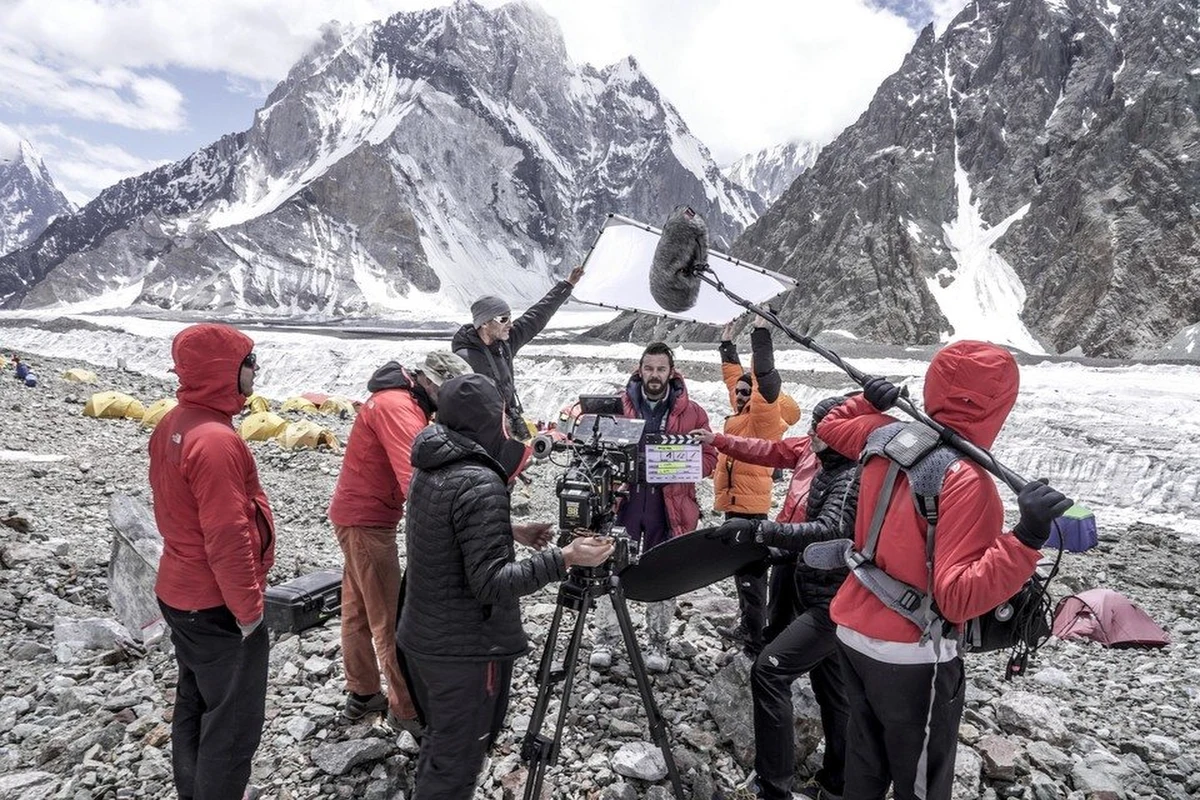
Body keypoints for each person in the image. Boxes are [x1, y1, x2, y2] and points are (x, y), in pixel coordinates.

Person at [816, 341, 1072, 800]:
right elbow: (957, 598)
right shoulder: (969, 482)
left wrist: (867, 401)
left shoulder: (883, 434)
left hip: (851, 631)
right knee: (921, 782)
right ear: (1000, 406)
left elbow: (831, 426)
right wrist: (1027, 539)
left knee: (866, 762)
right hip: (912, 655)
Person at [397, 373, 614, 800]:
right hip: (464, 650)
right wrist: (567, 558)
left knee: (441, 745)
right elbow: (492, 584)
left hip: (422, 637)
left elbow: (446, 529)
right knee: (456, 764)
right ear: (487, 419)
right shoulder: (481, 480)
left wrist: (506, 529)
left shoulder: (432, 463)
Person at [705, 396, 858, 800]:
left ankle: (774, 788)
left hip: (833, 603)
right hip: (823, 593)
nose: (811, 433)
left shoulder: (849, 477)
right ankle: (837, 783)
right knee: (833, 690)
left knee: (770, 672)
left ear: (840, 432)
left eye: (820, 427)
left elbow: (828, 531)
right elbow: (768, 451)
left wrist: (761, 532)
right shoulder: (832, 466)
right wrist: (771, 552)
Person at [149, 324, 273, 800]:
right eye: (248, 361)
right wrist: (248, 611)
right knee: (233, 723)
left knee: (197, 702)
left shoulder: (174, 422)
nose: (255, 369)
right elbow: (227, 534)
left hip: (180, 591)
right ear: (226, 370)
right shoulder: (216, 441)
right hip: (217, 602)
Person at [327, 350, 472, 732]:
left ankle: (362, 693)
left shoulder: (399, 400)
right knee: (390, 620)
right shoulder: (398, 408)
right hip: (369, 522)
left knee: (359, 609)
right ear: (429, 382)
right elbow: (417, 477)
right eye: (448, 391)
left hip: (359, 516)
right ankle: (407, 711)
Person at [589, 341, 717, 674]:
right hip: (626, 500)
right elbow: (595, 443)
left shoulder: (693, 412)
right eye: (649, 368)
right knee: (610, 563)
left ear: (671, 372)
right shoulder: (618, 405)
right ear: (640, 369)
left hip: (668, 503)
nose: (655, 375)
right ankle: (605, 637)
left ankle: (658, 641)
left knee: (664, 570)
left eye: (661, 369)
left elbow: (710, 458)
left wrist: (686, 465)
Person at [711, 316, 801, 656]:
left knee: (750, 574)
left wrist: (761, 335)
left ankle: (754, 641)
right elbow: (736, 379)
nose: (739, 394)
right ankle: (749, 626)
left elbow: (762, 381)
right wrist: (726, 345)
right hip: (736, 502)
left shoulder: (762, 418)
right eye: (739, 392)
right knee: (744, 572)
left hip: (749, 508)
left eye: (746, 393)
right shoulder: (741, 410)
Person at [452, 265, 585, 440]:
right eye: (503, 319)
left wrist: (567, 285)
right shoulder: (464, 359)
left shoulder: (505, 344)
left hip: (507, 426)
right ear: (484, 323)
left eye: (510, 317)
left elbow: (536, 316)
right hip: (482, 434)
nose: (510, 324)